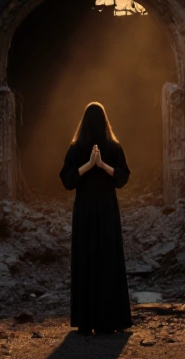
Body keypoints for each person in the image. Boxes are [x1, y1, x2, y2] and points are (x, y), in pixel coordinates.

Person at [59, 102, 132, 334]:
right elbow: (121, 178)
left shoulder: (76, 148)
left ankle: (86, 320)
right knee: (108, 260)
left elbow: (68, 180)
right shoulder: (113, 147)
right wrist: (96, 165)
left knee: (86, 261)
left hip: (85, 212)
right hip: (107, 211)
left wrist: (92, 165)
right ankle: (108, 321)